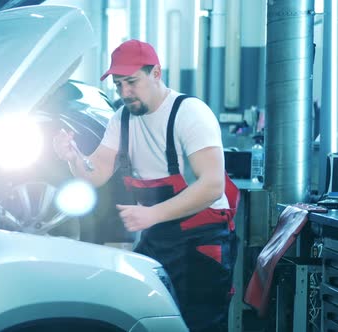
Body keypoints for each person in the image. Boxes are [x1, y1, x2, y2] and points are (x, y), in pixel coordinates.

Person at [53, 39, 239, 332]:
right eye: (118, 85)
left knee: (199, 325)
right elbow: (95, 173)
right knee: (150, 320)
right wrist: (72, 158)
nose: (125, 92)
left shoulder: (189, 113)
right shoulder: (122, 119)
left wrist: (152, 215)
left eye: (132, 82)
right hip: (158, 238)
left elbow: (212, 186)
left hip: (201, 242)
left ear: (156, 73)